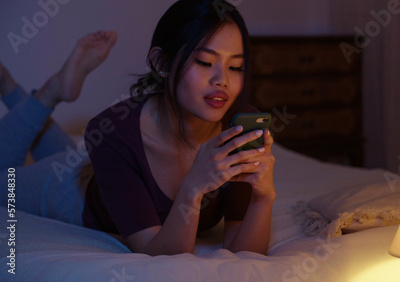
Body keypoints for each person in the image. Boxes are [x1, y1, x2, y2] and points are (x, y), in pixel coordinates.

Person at [84, 0, 276, 256]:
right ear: (162, 63)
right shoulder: (110, 133)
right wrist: (193, 187)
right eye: (205, 62)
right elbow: (160, 256)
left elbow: (242, 254)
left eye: (236, 67)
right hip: (70, 191)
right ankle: (51, 93)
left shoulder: (237, 127)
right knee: (13, 178)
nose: (222, 80)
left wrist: (263, 197)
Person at [0, 30, 117, 225]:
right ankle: (37, 91)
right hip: (83, 192)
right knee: (73, 172)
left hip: (85, 176)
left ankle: (23, 89)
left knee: (72, 166)